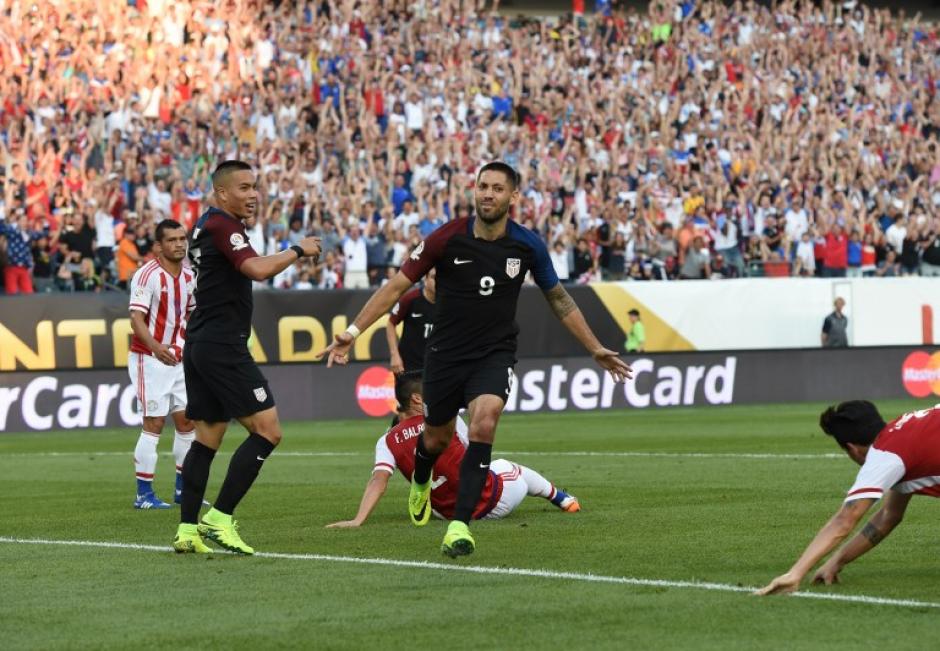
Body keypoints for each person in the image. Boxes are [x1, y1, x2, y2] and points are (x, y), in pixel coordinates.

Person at [319, 161, 631, 558]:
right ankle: (421, 479)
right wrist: (352, 332)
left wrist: (594, 347)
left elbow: (559, 298)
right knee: (436, 439)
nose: (488, 194)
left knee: (484, 422)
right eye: (483, 186)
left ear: (513, 196)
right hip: (445, 356)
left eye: (497, 188)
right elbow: (396, 286)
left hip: (494, 353)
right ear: (474, 190)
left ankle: (459, 527)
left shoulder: (528, 245)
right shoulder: (446, 238)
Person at [173, 161, 322, 555]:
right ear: (222, 193)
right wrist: (297, 250)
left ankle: (187, 530)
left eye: (255, 186)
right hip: (223, 345)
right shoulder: (225, 226)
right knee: (268, 430)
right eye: (243, 187)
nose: (253, 194)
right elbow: (255, 269)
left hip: (201, 342)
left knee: (207, 439)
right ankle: (220, 517)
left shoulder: (206, 224)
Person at [326, 371, 579, 529]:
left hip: (448, 514)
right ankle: (562, 499)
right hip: (492, 503)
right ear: (416, 399)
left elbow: (378, 481)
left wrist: (358, 520)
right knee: (509, 468)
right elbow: (472, 460)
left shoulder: (386, 441)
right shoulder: (446, 417)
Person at [758, 401, 940, 595]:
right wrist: (838, 560)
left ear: (852, 449)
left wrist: (795, 574)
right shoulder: (904, 427)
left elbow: (845, 519)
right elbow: (889, 515)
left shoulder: (884, 456)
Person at [128, 219, 196, 509]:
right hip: (149, 358)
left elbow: (191, 315)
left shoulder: (190, 276)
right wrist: (157, 348)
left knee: (187, 421)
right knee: (154, 422)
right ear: (158, 246)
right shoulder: (147, 275)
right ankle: (144, 494)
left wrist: (185, 346)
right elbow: (136, 320)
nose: (179, 244)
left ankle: (183, 489)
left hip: (179, 359)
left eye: (182, 239)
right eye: (172, 240)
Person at [386, 269, 436, 375]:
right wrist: (394, 355)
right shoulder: (410, 299)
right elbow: (391, 323)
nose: (438, 282)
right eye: (434, 277)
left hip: (438, 366)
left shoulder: (450, 302)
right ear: (425, 279)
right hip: (410, 367)